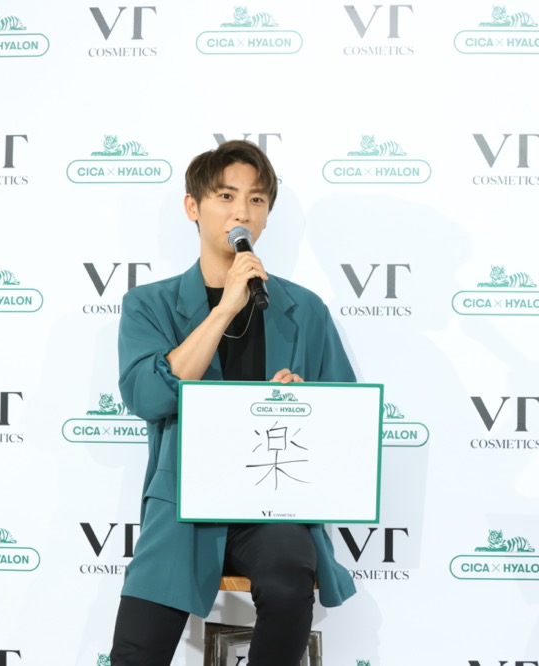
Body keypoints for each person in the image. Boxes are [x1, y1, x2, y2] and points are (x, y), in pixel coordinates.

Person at [109, 140, 356, 665]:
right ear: (192, 207)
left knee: (289, 585)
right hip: (183, 502)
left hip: (273, 504)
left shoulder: (304, 309)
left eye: (257, 199)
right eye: (226, 196)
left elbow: (346, 423)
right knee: (136, 650)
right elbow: (147, 396)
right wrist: (223, 309)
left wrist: (304, 406)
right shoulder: (149, 304)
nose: (242, 211)